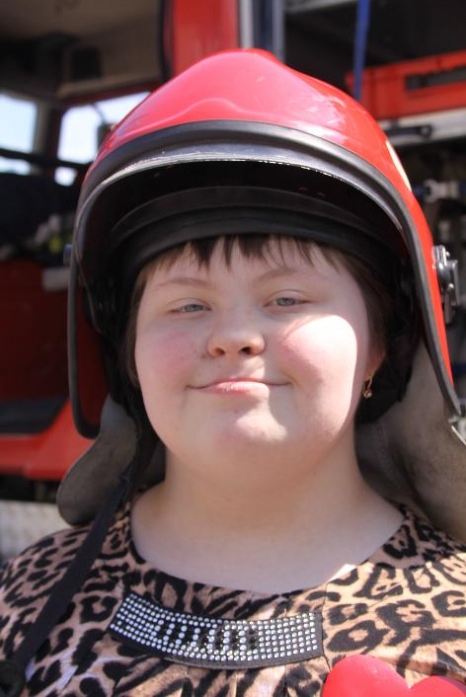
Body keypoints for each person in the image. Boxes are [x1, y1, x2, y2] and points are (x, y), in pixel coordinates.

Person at [1, 49, 466, 697]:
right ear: (124, 353)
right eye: (187, 305)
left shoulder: (453, 628)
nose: (232, 337)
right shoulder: (23, 602)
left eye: (288, 299)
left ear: (384, 341)